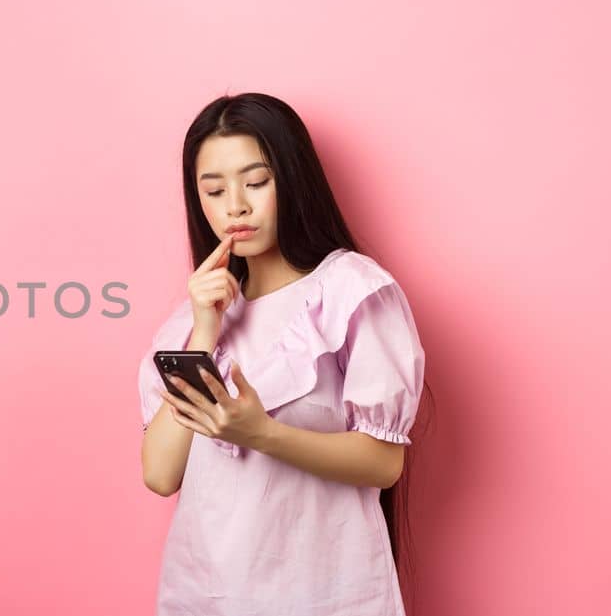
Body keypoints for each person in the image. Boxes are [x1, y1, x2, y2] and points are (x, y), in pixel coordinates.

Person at [137, 92, 429, 615]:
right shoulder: (187, 324)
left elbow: (384, 463)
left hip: (327, 595)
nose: (236, 206)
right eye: (214, 190)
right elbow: (160, 474)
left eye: (255, 182)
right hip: (205, 594)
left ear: (292, 180)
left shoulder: (349, 291)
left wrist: (262, 435)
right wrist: (206, 328)